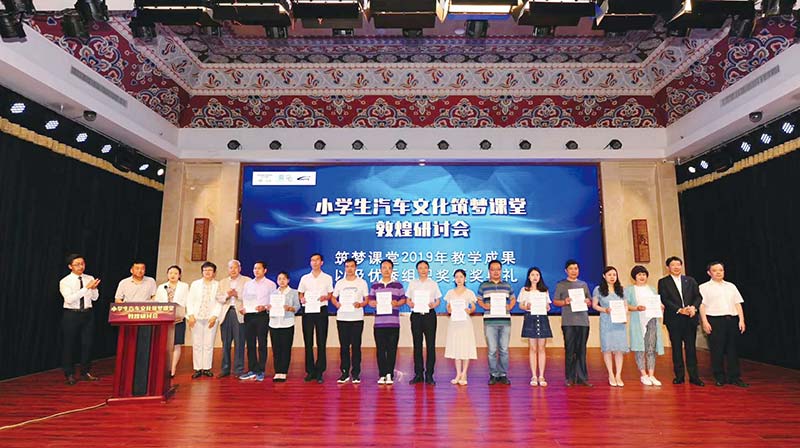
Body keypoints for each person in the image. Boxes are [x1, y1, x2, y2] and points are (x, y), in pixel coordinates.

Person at [699, 262, 749, 387]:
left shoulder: (731, 286)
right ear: (709, 273)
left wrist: (741, 320)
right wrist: (705, 322)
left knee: (733, 349)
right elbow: (702, 306)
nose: (718, 272)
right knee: (717, 350)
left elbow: (737, 303)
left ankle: (735, 377)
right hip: (714, 320)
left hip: (731, 319)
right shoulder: (704, 287)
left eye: (721, 270)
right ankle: (719, 377)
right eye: (715, 270)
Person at [658, 256, 704, 386]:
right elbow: (664, 299)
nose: (676, 267)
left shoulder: (690, 280)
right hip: (674, 319)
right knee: (676, 348)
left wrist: (693, 307)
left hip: (690, 318)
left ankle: (694, 377)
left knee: (691, 348)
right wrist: (679, 310)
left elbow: (698, 297)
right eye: (673, 265)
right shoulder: (663, 282)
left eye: (678, 264)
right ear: (668, 267)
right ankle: (679, 376)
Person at [59, 254, 101, 385]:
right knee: (69, 344)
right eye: (77, 264)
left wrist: (93, 289)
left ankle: (85, 372)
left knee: (87, 344)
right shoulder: (65, 281)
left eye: (82, 263)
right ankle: (69, 373)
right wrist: (86, 288)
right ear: (70, 266)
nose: (81, 266)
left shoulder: (89, 278)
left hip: (88, 314)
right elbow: (69, 299)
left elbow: (95, 298)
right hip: (72, 314)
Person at [552, 259, 593, 387]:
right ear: (566, 271)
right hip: (568, 321)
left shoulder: (583, 284)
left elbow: (590, 301)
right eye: (571, 269)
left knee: (582, 350)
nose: (574, 271)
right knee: (570, 350)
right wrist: (565, 302)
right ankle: (569, 378)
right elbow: (555, 301)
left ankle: (582, 378)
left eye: (576, 268)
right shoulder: (561, 284)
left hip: (583, 321)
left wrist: (588, 302)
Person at [476, 260, 516, 385]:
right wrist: (485, 306)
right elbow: (479, 300)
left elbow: (513, 298)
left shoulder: (507, 285)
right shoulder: (483, 285)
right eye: (493, 269)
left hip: (505, 321)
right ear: (489, 271)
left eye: (498, 269)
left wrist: (510, 306)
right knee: (492, 350)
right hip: (490, 321)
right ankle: (493, 374)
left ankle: (503, 374)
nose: (496, 272)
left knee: (504, 349)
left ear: (501, 270)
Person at [624, 265, 665, 387]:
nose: (642, 277)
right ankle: (643, 374)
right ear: (634, 277)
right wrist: (636, 308)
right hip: (638, 321)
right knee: (639, 348)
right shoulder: (629, 290)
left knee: (651, 347)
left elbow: (657, 302)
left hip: (652, 320)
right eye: (639, 275)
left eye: (644, 274)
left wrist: (661, 306)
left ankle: (651, 374)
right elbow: (626, 305)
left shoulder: (652, 289)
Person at [331, 258, 369, 384]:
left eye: (352, 266)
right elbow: (333, 297)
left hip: (357, 318)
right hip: (342, 318)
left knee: (356, 346)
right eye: (347, 266)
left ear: (356, 267)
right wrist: (336, 303)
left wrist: (360, 304)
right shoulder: (340, 283)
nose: (349, 269)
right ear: (344, 268)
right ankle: (344, 372)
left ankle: (356, 373)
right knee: (344, 347)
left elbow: (367, 299)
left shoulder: (362, 282)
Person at [368, 259, 406, 385]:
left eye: (389, 268)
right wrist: (373, 303)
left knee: (392, 349)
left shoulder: (398, 285)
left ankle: (389, 374)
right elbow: (370, 301)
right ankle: (382, 374)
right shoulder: (375, 286)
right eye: (384, 268)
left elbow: (403, 300)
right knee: (380, 350)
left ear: (392, 270)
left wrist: (397, 303)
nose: (386, 270)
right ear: (380, 270)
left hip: (393, 323)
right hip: (379, 323)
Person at [298, 253, 334, 384]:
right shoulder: (305, 278)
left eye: (317, 260)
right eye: (312, 260)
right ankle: (310, 371)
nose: (314, 262)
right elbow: (300, 293)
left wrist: (326, 297)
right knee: (308, 341)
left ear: (322, 262)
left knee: (321, 341)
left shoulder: (327, 278)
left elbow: (330, 294)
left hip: (321, 310)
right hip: (308, 310)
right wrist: (302, 299)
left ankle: (320, 371)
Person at [406, 260, 443, 385]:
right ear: (417, 270)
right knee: (417, 345)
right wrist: (410, 303)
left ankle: (429, 374)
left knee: (430, 345)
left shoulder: (433, 284)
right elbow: (408, 299)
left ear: (428, 269)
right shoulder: (412, 283)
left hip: (429, 316)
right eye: (420, 268)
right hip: (416, 316)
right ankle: (418, 374)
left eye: (425, 267)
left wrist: (434, 304)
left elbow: (438, 300)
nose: (423, 270)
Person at [592, 266, 630, 387]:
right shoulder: (598, 289)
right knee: (607, 349)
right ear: (604, 276)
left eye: (614, 274)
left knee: (619, 349)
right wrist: (605, 310)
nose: (612, 277)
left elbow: (626, 305)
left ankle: (618, 375)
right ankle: (611, 374)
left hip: (619, 322)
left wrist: (624, 314)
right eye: (609, 275)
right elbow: (594, 305)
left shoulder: (621, 289)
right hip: (606, 321)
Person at [239, 261, 275, 382]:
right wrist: (243, 308)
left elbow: (273, 302)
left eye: (259, 268)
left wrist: (264, 307)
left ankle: (261, 370)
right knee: (250, 344)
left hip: (262, 316)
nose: (256, 270)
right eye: (255, 268)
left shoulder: (270, 284)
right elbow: (244, 299)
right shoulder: (248, 284)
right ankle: (252, 369)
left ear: (265, 270)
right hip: (249, 316)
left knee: (262, 343)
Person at [186, 262, 222, 379]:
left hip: (211, 319)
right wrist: (191, 315)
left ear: (214, 273)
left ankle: (206, 368)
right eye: (205, 270)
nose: (207, 272)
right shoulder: (195, 284)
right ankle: (197, 368)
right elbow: (189, 300)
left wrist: (215, 316)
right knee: (197, 344)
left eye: (210, 270)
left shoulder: (218, 285)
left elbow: (220, 302)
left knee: (208, 344)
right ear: (202, 272)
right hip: (196, 318)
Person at [517, 267, 552, 387]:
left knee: (541, 348)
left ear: (540, 277)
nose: (535, 277)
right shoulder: (524, 290)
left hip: (542, 318)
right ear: (529, 277)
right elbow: (521, 306)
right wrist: (526, 306)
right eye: (532, 275)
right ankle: (533, 375)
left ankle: (541, 375)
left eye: (537, 275)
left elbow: (548, 305)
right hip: (530, 318)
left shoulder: (544, 290)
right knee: (532, 348)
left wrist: (547, 307)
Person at [216, 260, 251, 378]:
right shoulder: (222, 282)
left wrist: (237, 295)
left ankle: (238, 369)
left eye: (236, 267)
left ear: (240, 268)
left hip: (239, 313)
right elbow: (218, 297)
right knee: (225, 342)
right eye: (231, 268)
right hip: (226, 313)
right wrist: (227, 295)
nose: (233, 270)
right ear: (228, 269)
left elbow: (250, 297)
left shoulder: (247, 281)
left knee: (239, 342)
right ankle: (225, 368)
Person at [443, 269, 477, 386]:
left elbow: (473, 307)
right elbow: (448, 307)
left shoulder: (469, 292)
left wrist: (470, 310)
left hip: (465, 322)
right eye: (457, 277)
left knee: (465, 347)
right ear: (454, 279)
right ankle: (458, 374)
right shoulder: (450, 293)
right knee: (456, 347)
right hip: (454, 323)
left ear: (465, 278)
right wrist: (449, 310)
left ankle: (464, 373)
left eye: (461, 277)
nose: (459, 279)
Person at [154, 265, 189, 378]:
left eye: (175, 273)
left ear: (179, 275)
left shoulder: (184, 286)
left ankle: (173, 369)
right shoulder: (161, 287)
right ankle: (163, 367)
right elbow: (157, 302)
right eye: (170, 273)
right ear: (167, 274)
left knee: (176, 344)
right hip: (164, 319)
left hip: (178, 318)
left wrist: (187, 315)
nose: (172, 275)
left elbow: (187, 301)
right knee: (164, 344)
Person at [269, 271, 300, 382]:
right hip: (274, 323)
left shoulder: (294, 292)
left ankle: (283, 372)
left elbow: (297, 307)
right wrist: (269, 308)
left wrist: (289, 308)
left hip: (287, 323)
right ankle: (277, 372)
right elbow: (269, 309)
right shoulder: (273, 293)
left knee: (286, 348)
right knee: (276, 349)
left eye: (284, 279)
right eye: (279, 279)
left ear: (288, 280)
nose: (281, 281)